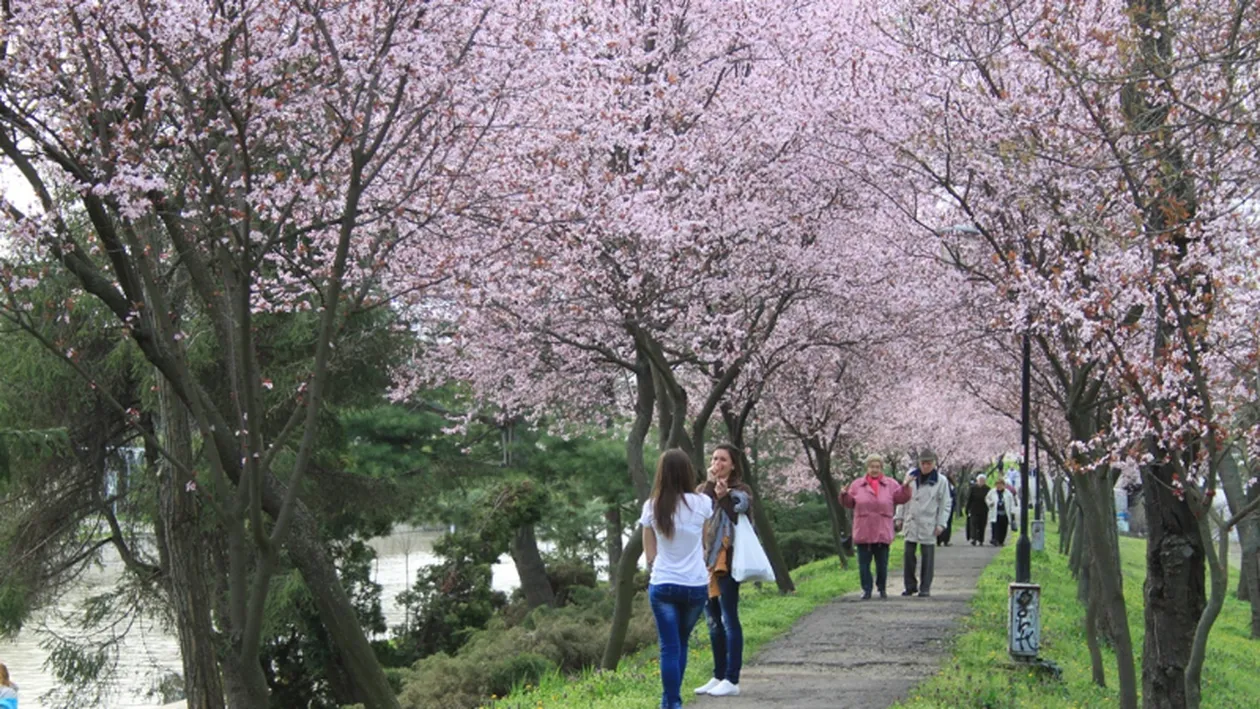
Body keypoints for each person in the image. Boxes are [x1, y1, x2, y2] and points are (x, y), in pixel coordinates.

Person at [640, 449, 714, 709]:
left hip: (663, 584)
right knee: (680, 643)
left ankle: (671, 703)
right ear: (688, 472)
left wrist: (658, 567)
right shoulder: (703, 503)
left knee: (669, 647)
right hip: (695, 585)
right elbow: (704, 543)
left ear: (661, 473)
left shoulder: (652, 506)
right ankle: (670, 702)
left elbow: (650, 554)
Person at [694, 444, 753, 698]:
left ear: (733, 465)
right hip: (705, 562)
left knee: (729, 618)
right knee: (712, 621)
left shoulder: (741, 491)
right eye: (714, 458)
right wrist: (709, 486)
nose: (717, 463)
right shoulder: (702, 490)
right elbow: (698, 514)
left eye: (723, 459)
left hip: (727, 561)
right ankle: (718, 675)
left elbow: (740, 518)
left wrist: (724, 496)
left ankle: (732, 677)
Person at [840, 453, 912, 599]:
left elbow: (901, 498)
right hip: (863, 529)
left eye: (877, 467)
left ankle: (882, 588)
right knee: (864, 564)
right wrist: (843, 495)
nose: (875, 469)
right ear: (867, 468)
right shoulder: (857, 485)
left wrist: (906, 487)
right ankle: (866, 589)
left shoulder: (890, 484)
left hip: (882, 529)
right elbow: (849, 503)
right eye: (872, 466)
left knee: (882, 563)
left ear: (881, 468)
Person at [894, 449, 951, 597]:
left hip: (929, 521)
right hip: (911, 520)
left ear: (934, 464)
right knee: (908, 555)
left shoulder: (941, 481)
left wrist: (941, 524)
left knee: (927, 556)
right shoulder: (911, 476)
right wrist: (898, 517)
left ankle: (925, 587)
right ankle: (910, 585)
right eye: (923, 463)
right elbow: (902, 497)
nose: (926, 466)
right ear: (919, 463)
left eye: (929, 463)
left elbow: (945, 504)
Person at [987, 478, 1017, 546]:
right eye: (997, 484)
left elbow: (1012, 503)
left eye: (1000, 484)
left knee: (1003, 528)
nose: (999, 486)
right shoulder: (992, 491)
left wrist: (1012, 512)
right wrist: (990, 503)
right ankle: (995, 540)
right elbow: (987, 498)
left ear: (1004, 485)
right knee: (995, 527)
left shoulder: (1008, 493)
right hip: (995, 513)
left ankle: (1001, 541)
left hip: (1005, 513)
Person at [966, 474, 991, 545]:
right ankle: (974, 538)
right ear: (977, 480)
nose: (981, 481)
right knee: (973, 524)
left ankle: (981, 540)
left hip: (984, 509)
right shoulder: (973, 488)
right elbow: (969, 499)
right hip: (974, 509)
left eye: (983, 480)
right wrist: (967, 508)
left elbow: (989, 499)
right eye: (980, 480)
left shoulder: (987, 489)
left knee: (982, 525)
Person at [936, 469, 957, 546]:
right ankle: (940, 540)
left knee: (947, 523)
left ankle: (945, 540)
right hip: (941, 505)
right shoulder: (942, 484)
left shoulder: (951, 485)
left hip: (949, 505)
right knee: (941, 522)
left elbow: (954, 496)